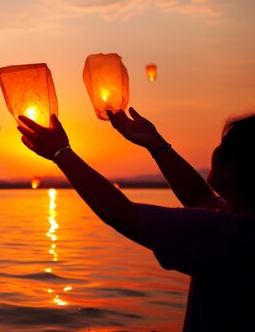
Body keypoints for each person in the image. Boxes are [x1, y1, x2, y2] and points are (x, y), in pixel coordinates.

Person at [17, 108, 255, 331]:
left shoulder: (228, 236)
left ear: (231, 166)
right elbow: (201, 197)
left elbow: (119, 213)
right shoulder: (240, 223)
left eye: (222, 145)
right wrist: (155, 143)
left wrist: (60, 152)